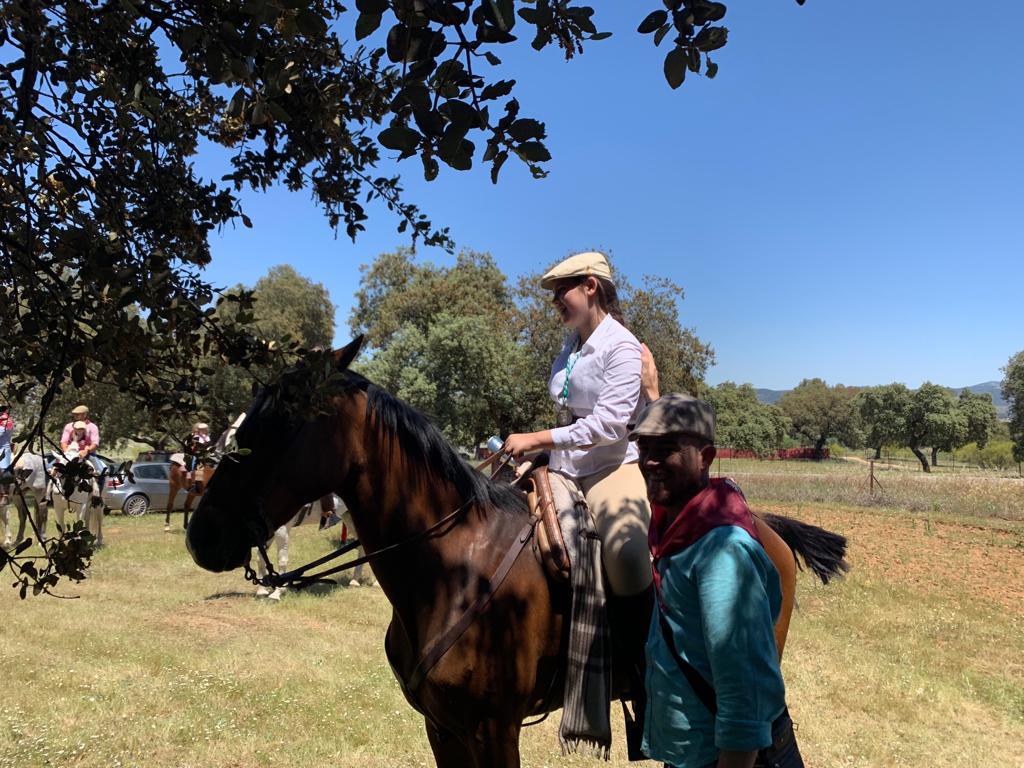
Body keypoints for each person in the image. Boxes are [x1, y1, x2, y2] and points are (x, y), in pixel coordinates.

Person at [631, 393, 802, 768]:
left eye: (667, 449)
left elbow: (744, 695)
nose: (650, 461)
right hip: (694, 754)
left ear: (705, 458)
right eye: (644, 448)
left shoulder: (722, 554)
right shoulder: (674, 530)